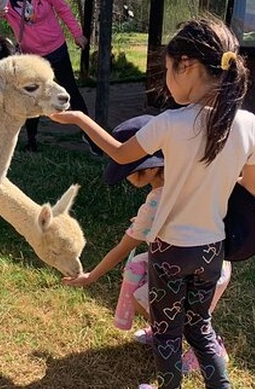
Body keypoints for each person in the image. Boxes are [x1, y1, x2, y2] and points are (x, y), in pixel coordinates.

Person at [50, 15, 255, 389]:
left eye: (168, 68)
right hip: (213, 249)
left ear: (187, 66)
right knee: (200, 327)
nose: (166, 77)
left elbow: (120, 154)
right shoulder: (247, 123)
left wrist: (82, 119)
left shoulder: (171, 122)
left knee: (167, 332)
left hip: (170, 250)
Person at [62, 115, 231, 374]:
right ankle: (164, 329)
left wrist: (90, 276)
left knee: (186, 318)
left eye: (128, 171)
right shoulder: (194, 180)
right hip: (212, 262)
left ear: (151, 168)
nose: (127, 178)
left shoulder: (155, 202)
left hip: (185, 270)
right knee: (146, 284)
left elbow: (123, 247)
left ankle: (204, 350)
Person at [0, 0, 101, 155]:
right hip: (32, 55)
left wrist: (77, 34)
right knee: (32, 94)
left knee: (70, 90)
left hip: (55, 48)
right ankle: (32, 140)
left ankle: (90, 135)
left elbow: (62, 8)